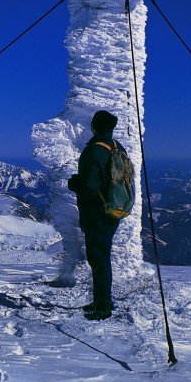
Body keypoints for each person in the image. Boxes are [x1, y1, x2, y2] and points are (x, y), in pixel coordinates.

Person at [68, 109, 125, 320]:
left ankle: (103, 308)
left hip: (97, 213)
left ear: (95, 126)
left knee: (99, 259)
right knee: (102, 257)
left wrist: (74, 184)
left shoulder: (93, 151)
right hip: (114, 209)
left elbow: (90, 187)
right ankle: (103, 300)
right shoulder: (117, 147)